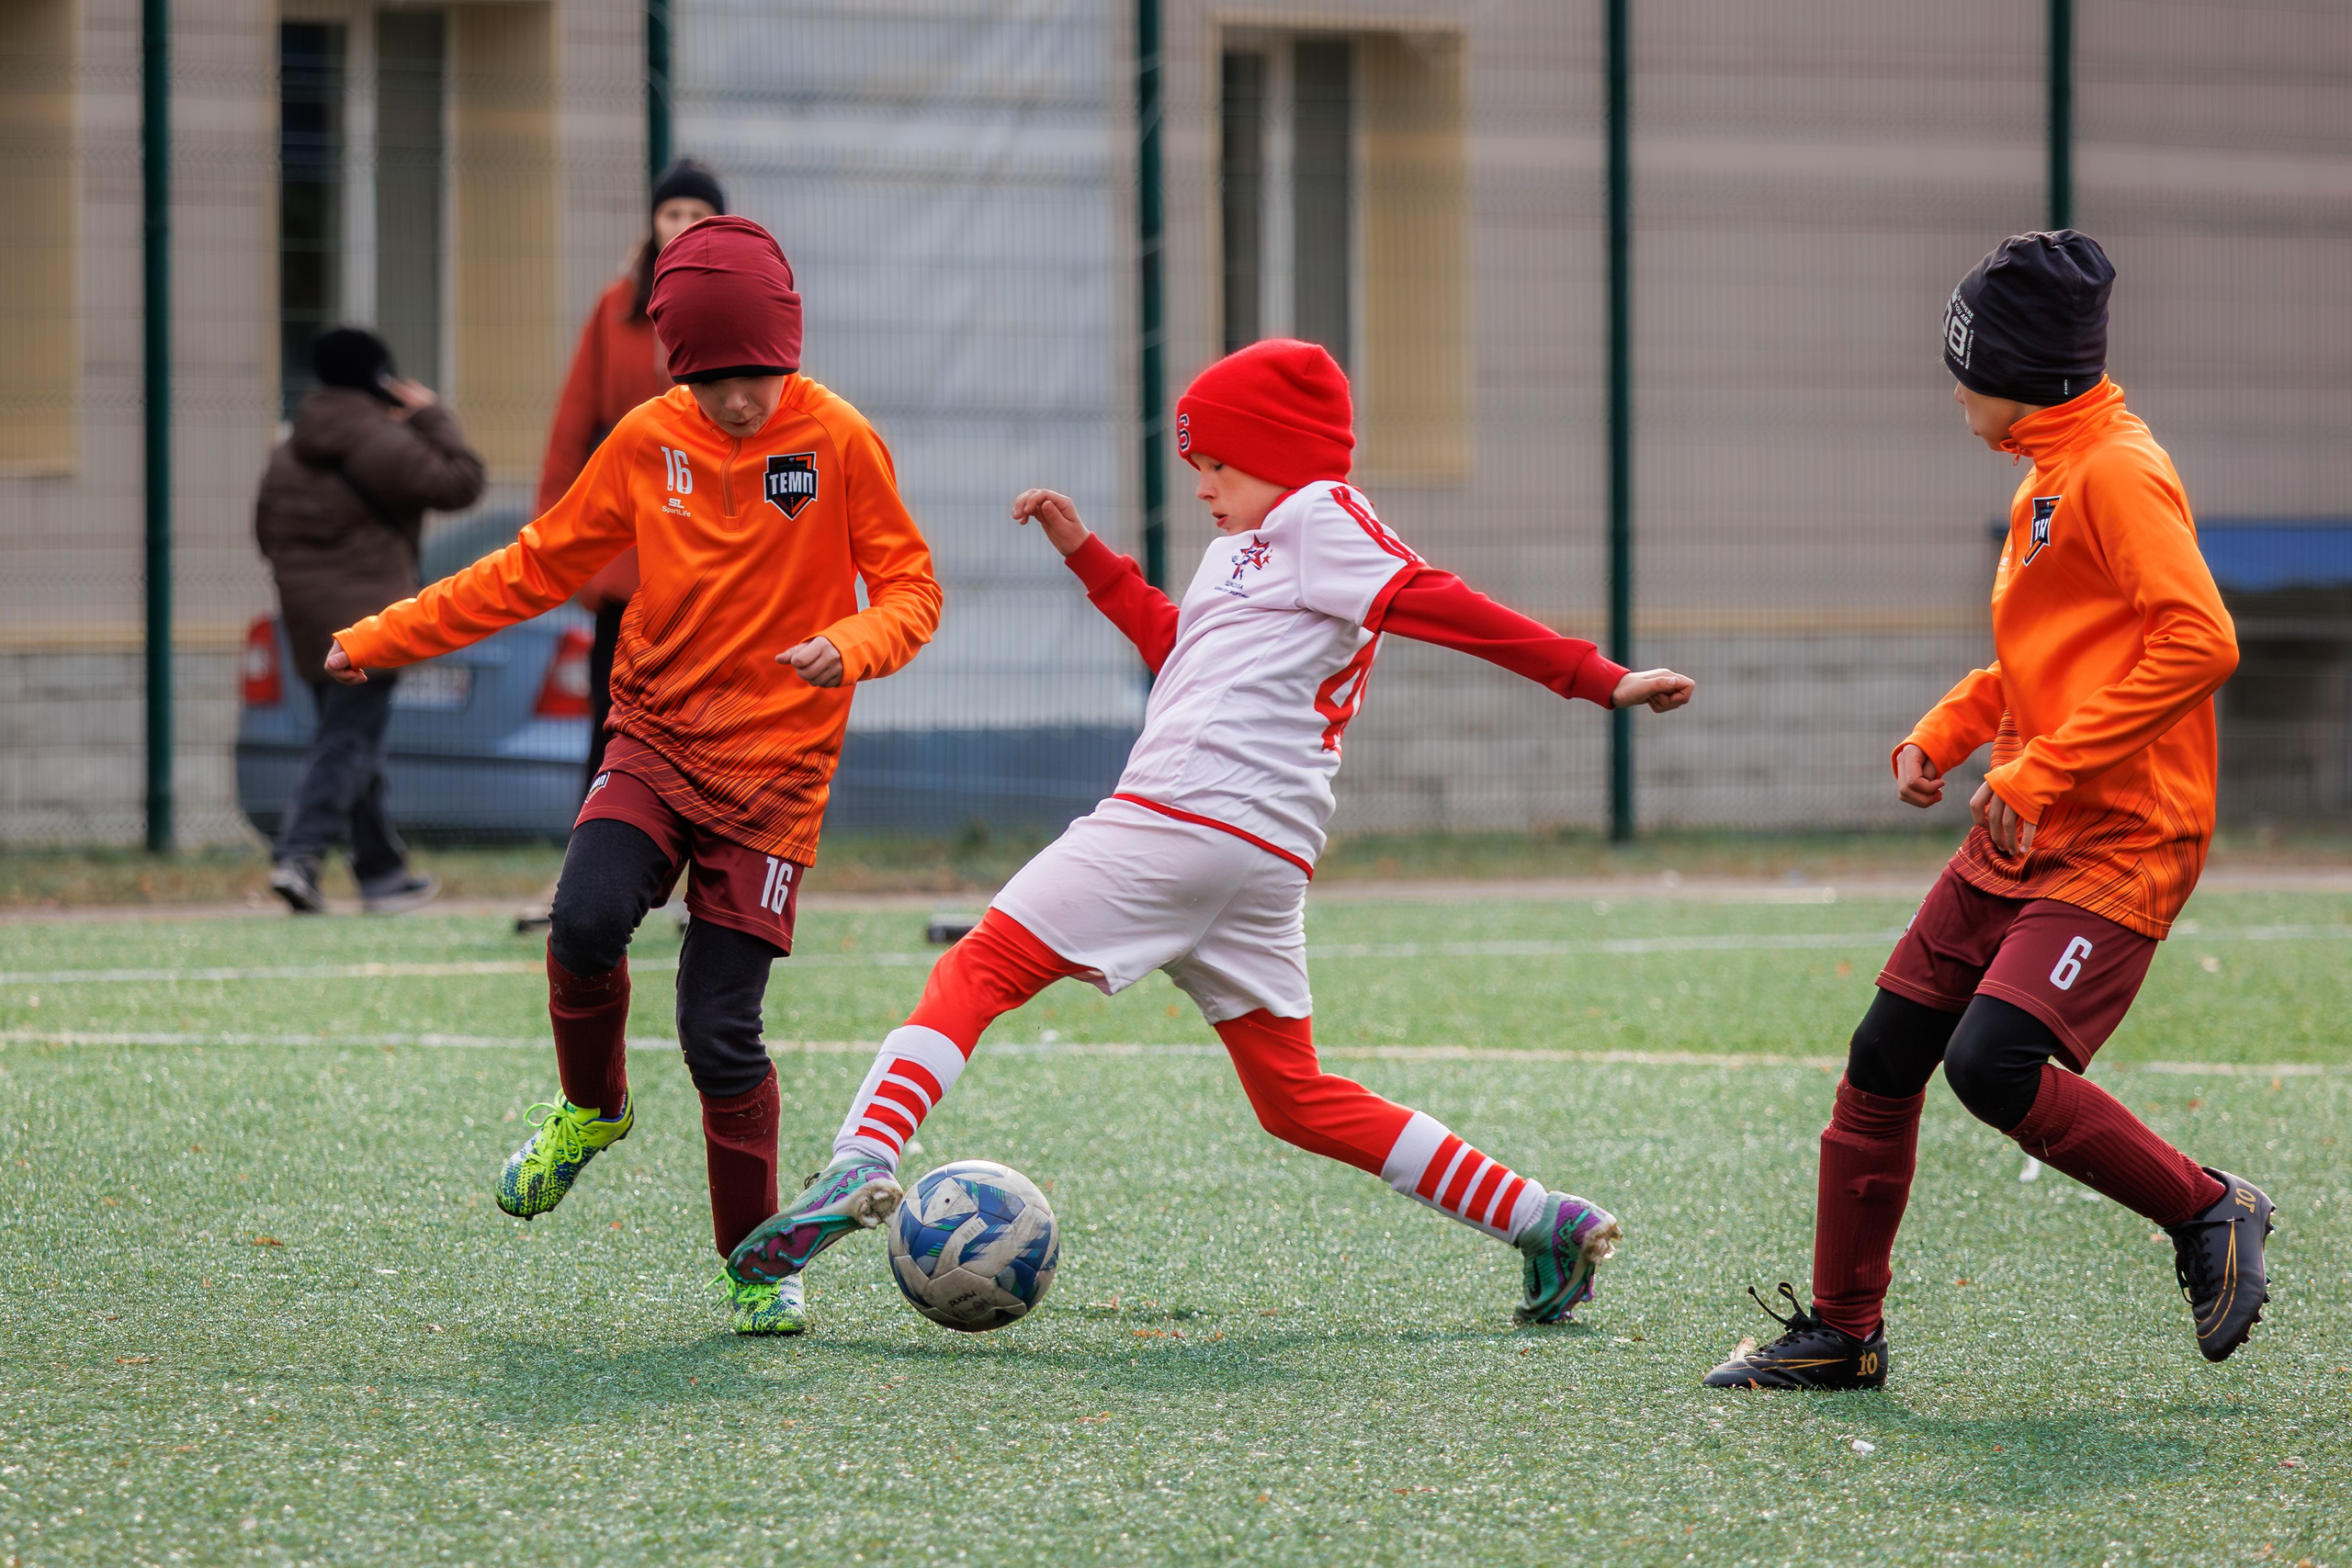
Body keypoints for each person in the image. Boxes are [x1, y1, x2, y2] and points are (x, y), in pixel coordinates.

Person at [724, 337, 1697, 1335]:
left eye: (1217, 465)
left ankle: (861, 1157)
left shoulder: (1322, 515)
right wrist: (1085, 554)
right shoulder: (1248, 549)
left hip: (1184, 816)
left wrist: (1596, 676)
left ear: (1281, 454)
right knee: (1296, 1099)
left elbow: (1434, 601)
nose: (1202, 486)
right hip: (1254, 854)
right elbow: (1176, 647)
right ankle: (1545, 1221)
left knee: (980, 968)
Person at [323, 217, 944, 1334]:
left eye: (756, 374)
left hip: (777, 780)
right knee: (584, 919)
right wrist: (383, 636)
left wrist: (845, 647)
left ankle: (756, 1267)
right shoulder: (647, 441)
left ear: (788, 352)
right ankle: (586, 1109)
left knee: (719, 1028)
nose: (738, 401)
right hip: (654, 735)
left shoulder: (841, 440)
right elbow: (531, 566)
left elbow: (911, 593)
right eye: (712, 380)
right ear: (678, 370)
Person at [1702, 231, 2269, 1393]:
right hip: (2025, 821)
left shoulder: (2114, 470)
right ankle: (1842, 1333)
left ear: (2019, 367)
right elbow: (2048, 662)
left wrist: (2040, 770)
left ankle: (2209, 1208)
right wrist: (1949, 732)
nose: (1953, 386)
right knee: (1884, 1056)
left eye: (1964, 362)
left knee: (1994, 1064)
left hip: (2119, 836)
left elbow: (2199, 641)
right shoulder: (2045, 475)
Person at [254, 327, 486, 915]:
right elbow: (463, 482)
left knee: (350, 741)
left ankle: (380, 872)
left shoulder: (287, 451)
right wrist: (432, 415)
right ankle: (299, 857)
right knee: (349, 742)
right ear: (379, 379)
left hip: (304, 618)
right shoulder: (380, 442)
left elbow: (264, 533)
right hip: (368, 622)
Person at [538, 160, 729, 794]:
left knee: (706, 717)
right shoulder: (617, 307)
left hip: (712, 546)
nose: (682, 226)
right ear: (653, 220)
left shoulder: (740, 300)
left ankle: (702, 863)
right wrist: (553, 538)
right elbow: (572, 422)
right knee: (610, 713)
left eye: (698, 215)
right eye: (673, 213)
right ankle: (592, 862)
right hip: (628, 546)